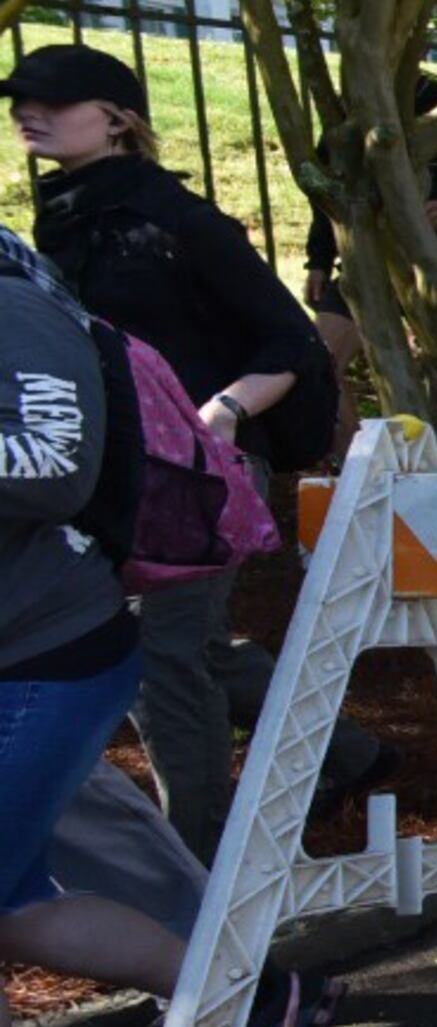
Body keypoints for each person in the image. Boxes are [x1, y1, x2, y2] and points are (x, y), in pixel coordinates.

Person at [1, 225, 339, 1027]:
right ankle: (250, 996)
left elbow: (54, 464)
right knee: (17, 907)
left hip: (45, 657)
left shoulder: (14, 308)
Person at [12, 42, 367, 859]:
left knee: (164, 659)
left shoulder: (180, 220)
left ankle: (199, 878)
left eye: (52, 100)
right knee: (179, 645)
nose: (29, 113)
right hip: (112, 474)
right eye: (19, 101)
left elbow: (290, 343)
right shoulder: (61, 215)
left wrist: (224, 412)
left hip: (195, 475)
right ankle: (349, 752)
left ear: (117, 118)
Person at [305, 74, 437, 368]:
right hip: (367, 262)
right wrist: (319, 261)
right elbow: (331, 197)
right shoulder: (346, 111)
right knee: (316, 365)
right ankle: (341, 418)